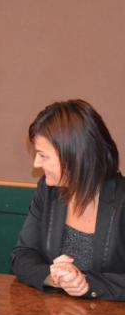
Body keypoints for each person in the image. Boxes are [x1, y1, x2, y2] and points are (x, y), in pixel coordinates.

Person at [11, 99, 125, 300]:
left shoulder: (121, 199)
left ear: (75, 156)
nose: (36, 163)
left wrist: (85, 283)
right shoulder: (48, 191)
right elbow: (22, 255)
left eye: (43, 156)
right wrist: (53, 276)